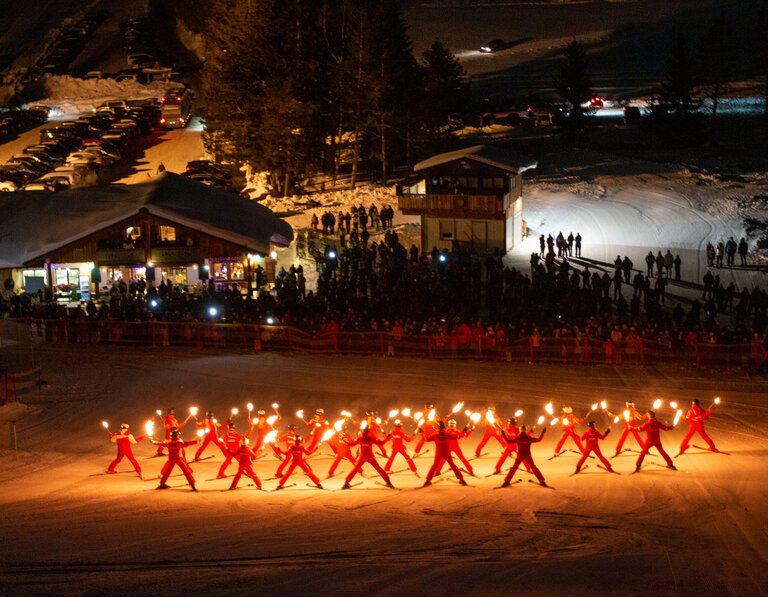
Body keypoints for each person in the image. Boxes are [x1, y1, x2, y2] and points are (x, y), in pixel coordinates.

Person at [422, 420, 467, 486]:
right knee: (453, 466)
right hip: (447, 453)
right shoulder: (447, 434)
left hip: (438, 453)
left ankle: (427, 481)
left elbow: (426, 438)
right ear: (444, 427)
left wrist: (422, 432)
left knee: (434, 467)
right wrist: (464, 430)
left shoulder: (435, 434)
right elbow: (457, 436)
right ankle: (462, 480)